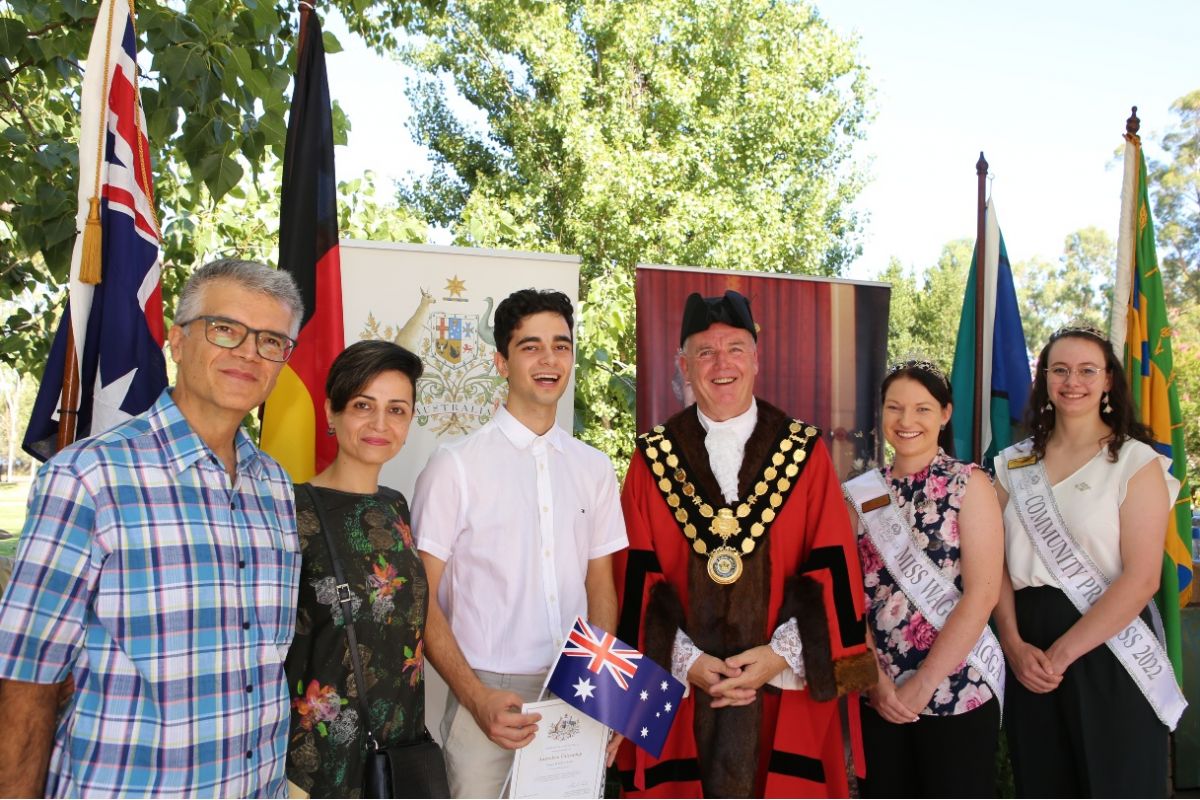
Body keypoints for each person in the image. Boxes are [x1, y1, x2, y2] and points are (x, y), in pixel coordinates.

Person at [0, 259, 304, 797]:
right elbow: (26, 678)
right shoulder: (88, 478)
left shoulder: (276, 488)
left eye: (271, 341)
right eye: (226, 329)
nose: (248, 354)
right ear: (178, 341)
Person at [614, 290, 877, 798]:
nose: (721, 364)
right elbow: (633, 574)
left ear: (757, 357)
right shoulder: (652, 459)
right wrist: (688, 661)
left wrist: (779, 657)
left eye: (735, 348)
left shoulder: (804, 452)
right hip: (683, 694)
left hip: (781, 688)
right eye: (705, 352)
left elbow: (833, 566)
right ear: (683, 365)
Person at [411, 288, 628, 798]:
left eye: (561, 345)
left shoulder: (594, 468)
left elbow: (601, 586)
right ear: (501, 361)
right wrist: (475, 695)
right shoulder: (455, 465)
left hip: (576, 685)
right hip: (487, 692)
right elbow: (421, 597)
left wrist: (603, 692)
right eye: (530, 346)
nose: (549, 359)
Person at [993, 325, 1184, 797]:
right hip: (1028, 648)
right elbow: (990, 565)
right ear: (1044, 382)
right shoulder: (1010, 464)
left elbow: (1141, 579)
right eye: (1059, 369)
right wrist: (1015, 646)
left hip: (1110, 644)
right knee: (1043, 784)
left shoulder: (1136, 463)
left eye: (1086, 370)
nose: (1071, 381)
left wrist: (1061, 654)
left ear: (1107, 382)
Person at [843, 360, 1004, 798]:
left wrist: (925, 682)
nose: (907, 421)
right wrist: (876, 680)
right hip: (880, 693)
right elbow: (848, 596)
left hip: (958, 689)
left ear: (945, 414)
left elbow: (984, 594)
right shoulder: (859, 493)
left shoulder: (970, 485)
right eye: (895, 408)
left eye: (923, 409)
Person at [284, 340, 429, 797]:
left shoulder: (395, 507)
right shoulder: (291, 511)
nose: (380, 424)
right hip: (316, 765)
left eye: (397, 409)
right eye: (363, 405)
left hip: (397, 755)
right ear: (331, 411)